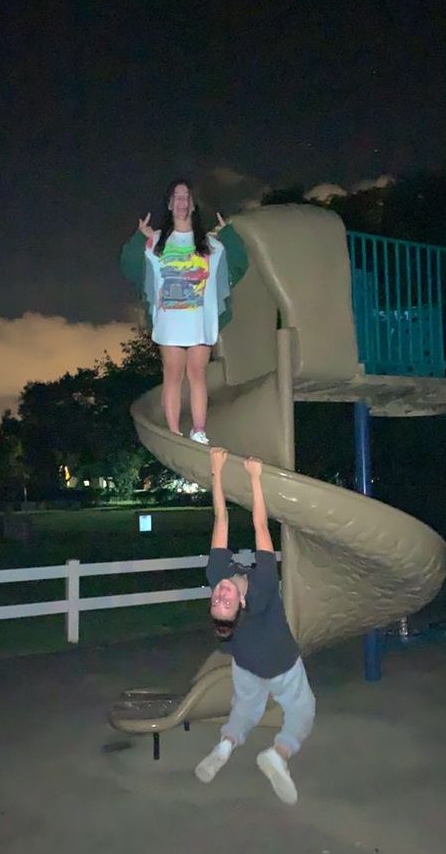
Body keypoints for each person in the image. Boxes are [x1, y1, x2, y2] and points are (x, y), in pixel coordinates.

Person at [195, 447, 316, 805]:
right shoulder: (261, 586)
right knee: (302, 711)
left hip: (245, 661)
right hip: (279, 663)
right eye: (227, 601)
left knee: (245, 709)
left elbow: (220, 519)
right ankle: (279, 753)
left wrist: (216, 471)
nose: (222, 594)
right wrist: (254, 478)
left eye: (217, 600)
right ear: (242, 604)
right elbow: (261, 525)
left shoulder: (218, 575)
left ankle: (224, 747)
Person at [120, 179, 248, 444]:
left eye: (186, 197)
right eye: (176, 197)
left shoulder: (209, 243)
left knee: (197, 373)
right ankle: (175, 432)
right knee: (173, 374)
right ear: (169, 204)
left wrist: (230, 236)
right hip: (170, 320)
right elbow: (129, 265)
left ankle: (199, 431)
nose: (181, 201)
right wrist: (137, 238)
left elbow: (238, 264)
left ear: (192, 204)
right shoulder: (156, 241)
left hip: (199, 318)